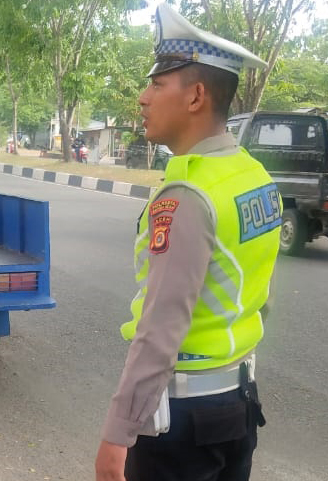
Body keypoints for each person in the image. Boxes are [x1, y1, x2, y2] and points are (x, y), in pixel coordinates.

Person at [95, 3, 280, 481]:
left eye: (157, 85)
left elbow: (159, 330)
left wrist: (117, 436)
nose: (143, 98)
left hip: (181, 427)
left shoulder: (189, 197)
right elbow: (258, 294)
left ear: (196, 96)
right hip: (237, 406)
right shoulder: (251, 177)